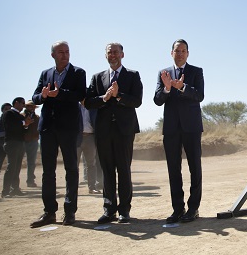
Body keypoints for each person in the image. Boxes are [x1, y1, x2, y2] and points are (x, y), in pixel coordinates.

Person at [30, 41, 86, 228]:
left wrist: (59, 93)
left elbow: (80, 95)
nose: (65, 55)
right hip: (48, 128)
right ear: (53, 55)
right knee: (48, 171)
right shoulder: (45, 73)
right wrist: (44, 95)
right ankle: (49, 212)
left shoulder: (78, 72)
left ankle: (70, 212)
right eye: (60, 52)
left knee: (71, 169)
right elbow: (35, 97)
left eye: (67, 51)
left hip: (69, 128)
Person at [86, 43, 143, 224]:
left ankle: (124, 210)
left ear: (122, 54)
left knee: (124, 170)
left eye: (116, 52)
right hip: (103, 130)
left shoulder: (132, 75)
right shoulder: (97, 77)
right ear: (106, 55)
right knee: (107, 170)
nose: (113, 55)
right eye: (110, 52)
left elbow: (137, 101)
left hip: (124, 130)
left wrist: (118, 96)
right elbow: (88, 102)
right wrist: (104, 98)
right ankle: (109, 209)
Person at [154, 39, 205, 223]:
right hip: (171, 128)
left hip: (191, 127)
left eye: (183, 51)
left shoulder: (196, 71)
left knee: (194, 168)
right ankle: (177, 209)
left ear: (188, 53)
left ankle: (193, 209)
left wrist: (182, 87)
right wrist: (167, 88)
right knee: (173, 169)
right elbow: (157, 100)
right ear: (171, 53)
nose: (180, 54)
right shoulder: (163, 73)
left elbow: (199, 95)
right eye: (177, 50)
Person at [1, 97, 33, 198]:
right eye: (22, 103)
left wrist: (26, 125)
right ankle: (5, 191)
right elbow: (11, 126)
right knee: (11, 167)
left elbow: (23, 130)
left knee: (17, 167)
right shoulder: (9, 113)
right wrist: (24, 123)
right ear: (16, 103)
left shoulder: (19, 115)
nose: (23, 105)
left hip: (20, 143)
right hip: (11, 142)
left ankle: (15, 189)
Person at [77, 99, 100, 194]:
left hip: (90, 137)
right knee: (74, 164)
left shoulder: (93, 108)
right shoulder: (74, 108)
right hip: (77, 138)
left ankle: (92, 187)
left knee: (91, 164)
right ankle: (72, 188)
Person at [23, 100, 40, 188]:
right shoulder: (21, 116)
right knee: (17, 162)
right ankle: (14, 183)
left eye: (32, 106)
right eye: (29, 106)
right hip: (22, 141)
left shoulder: (37, 117)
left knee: (32, 162)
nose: (31, 108)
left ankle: (30, 180)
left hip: (33, 141)